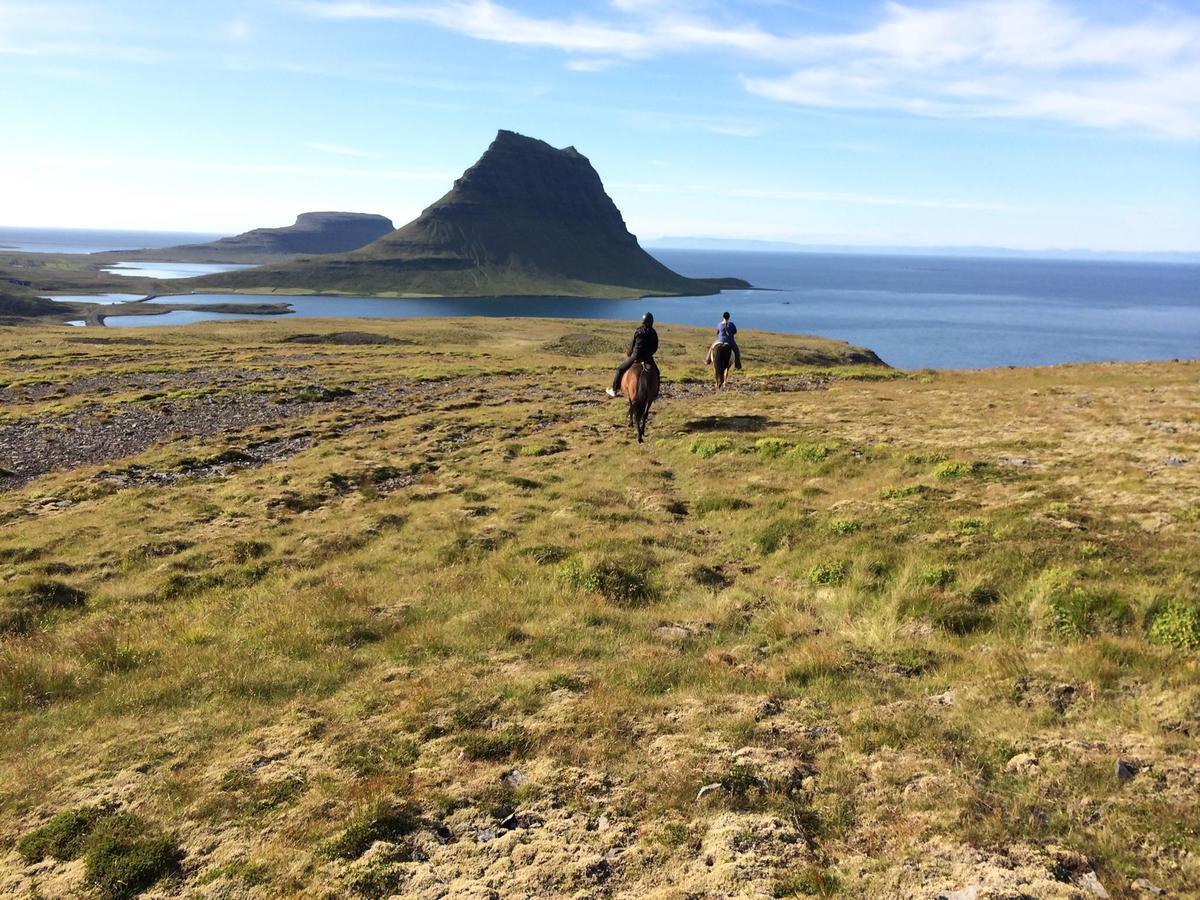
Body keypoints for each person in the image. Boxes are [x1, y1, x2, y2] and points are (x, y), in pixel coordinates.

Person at [607, 312, 659, 397]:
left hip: (635, 356)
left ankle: (614, 390)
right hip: (648, 358)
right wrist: (649, 354)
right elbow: (655, 347)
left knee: (620, 369)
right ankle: (655, 394)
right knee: (656, 372)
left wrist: (631, 353)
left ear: (643, 321)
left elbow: (632, 344)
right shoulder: (653, 333)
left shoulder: (638, 331)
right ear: (652, 321)